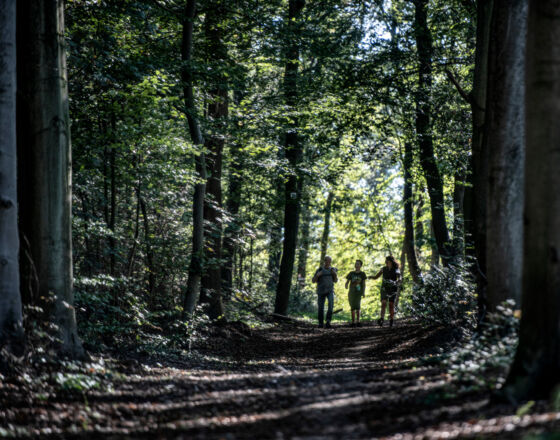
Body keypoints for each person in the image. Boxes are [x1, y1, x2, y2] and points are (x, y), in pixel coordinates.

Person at [369, 255, 401, 327]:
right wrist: (371, 277)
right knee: (383, 303)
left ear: (391, 261)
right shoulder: (383, 269)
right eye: (386, 261)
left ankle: (391, 320)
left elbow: (400, 277)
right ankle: (382, 319)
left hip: (393, 288)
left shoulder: (396, 269)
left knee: (391, 304)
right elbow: (376, 276)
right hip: (384, 288)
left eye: (388, 261)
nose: (387, 262)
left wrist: (398, 280)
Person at [312, 256, 338, 328]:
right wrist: (317, 275)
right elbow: (313, 281)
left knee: (330, 306)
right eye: (327, 261)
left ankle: (328, 321)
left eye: (329, 261)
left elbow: (335, 280)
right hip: (321, 291)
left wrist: (334, 274)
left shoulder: (332, 270)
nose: (328, 263)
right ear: (324, 261)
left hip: (330, 291)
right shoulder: (320, 270)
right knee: (321, 308)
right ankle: (320, 323)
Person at [345, 259, 367, 327]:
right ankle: (353, 322)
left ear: (360, 266)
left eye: (358, 264)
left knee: (357, 306)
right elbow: (347, 281)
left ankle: (358, 321)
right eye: (356, 264)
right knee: (352, 306)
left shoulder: (362, 274)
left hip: (358, 292)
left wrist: (363, 292)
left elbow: (363, 284)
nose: (356, 265)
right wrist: (346, 285)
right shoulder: (351, 273)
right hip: (351, 292)